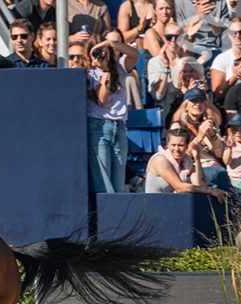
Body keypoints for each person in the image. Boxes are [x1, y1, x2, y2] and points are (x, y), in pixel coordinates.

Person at [87, 37, 140, 192]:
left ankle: (115, 207)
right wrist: (105, 71)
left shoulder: (120, 66)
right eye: (99, 52)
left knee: (118, 185)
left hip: (119, 126)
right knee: (104, 184)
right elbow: (102, 100)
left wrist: (110, 43)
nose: (103, 55)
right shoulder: (90, 72)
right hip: (98, 126)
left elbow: (135, 54)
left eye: (105, 51)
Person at [145, 127, 229, 201]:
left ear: (187, 146)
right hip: (153, 204)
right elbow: (179, 187)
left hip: (170, 204)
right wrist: (210, 190)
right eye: (173, 145)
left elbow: (200, 185)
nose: (176, 149)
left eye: (181, 145)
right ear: (167, 145)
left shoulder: (186, 161)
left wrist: (197, 159)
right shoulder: (160, 160)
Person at [171, 88, 231, 190]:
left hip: (213, 165)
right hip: (192, 166)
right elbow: (181, 153)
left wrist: (213, 136)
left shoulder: (209, 124)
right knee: (219, 173)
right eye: (193, 101)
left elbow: (219, 154)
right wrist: (200, 135)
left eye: (200, 101)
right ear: (186, 106)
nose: (197, 104)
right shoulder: (178, 126)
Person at [210, 17, 241, 105]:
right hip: (229, 104)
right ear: (229, 35)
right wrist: (235, 76)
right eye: (233, 33)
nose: (238, 35)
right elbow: (218, 93)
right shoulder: (221, 59)